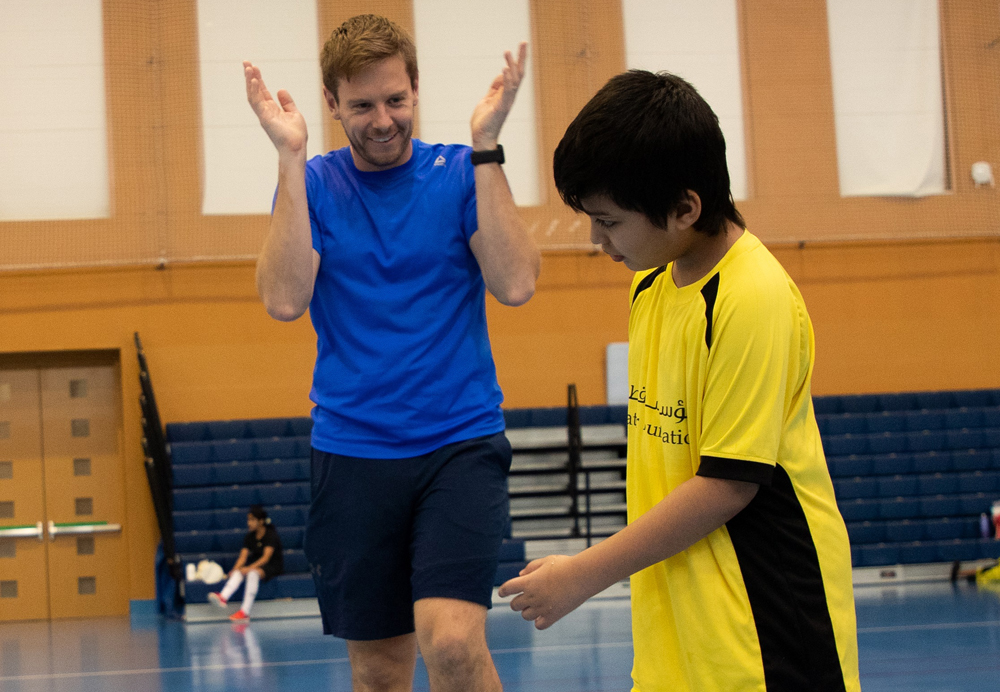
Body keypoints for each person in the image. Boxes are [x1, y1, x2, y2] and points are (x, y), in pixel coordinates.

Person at [498, 70, 861, 691]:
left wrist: (582, 573)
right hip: (677, 629)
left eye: (609, 222)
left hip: (765, 631)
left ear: (686, 207)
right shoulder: (651, 281)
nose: (596, 240)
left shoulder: (753, 296)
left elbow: (727, 485)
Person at [243, 14, 539, 692]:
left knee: (455, 645)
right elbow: (284, 300)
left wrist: (487, 146)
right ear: (331, 103)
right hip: (352, 455)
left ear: (416, 90)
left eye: (396, 100)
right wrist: (288, 158)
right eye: (362, 105)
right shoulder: (314, 183)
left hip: (458, 445)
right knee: (378, 674)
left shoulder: (462, 172)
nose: (383, 120)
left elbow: (517, 283)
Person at [209, 505, 284, 621]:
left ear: (261, 521)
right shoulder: (249, 536)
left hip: (272, 565)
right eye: (248, 520)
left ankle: (245, 611)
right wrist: (235, 569)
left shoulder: (270, 535)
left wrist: (248, 569)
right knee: (239, 572)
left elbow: (265, 558)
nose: (249, 523)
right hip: (255, 565)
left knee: (252, 574)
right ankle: (223, 597)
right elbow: (242, 558)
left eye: (252, 520)